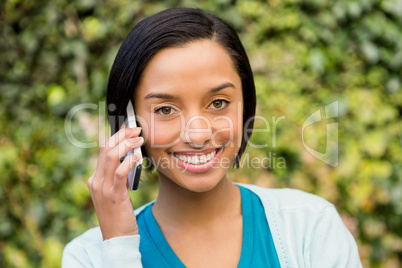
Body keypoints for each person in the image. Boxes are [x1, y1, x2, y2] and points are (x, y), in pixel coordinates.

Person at [62, 8, 362, 267]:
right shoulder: (89, 257)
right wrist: (119, 250)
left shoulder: (311, 226)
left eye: (218, 103)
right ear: (129, 121)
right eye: (165, 109)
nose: (199, 134)